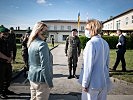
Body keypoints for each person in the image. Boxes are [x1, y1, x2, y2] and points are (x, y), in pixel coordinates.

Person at [78, 19, 111, 100]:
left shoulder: (91, 43)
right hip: (103, 82)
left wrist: (85, 84)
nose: (85, 31)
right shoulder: (105, 43)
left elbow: (88, 66)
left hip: (92, 84)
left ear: (93, 29)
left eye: (87, 29)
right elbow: (107, 64)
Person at [27, 22, 53, 100]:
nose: (46, 32)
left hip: (32, 78)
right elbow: (45, 66)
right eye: (44, 30)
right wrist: (49, 83)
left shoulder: (31, 43)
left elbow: (30, 62)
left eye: (47, 30)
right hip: (42, 80)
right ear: (38, 31)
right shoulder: (42, 44)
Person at [0, 26, 16, 99]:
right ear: (0, 33)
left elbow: (11, 49)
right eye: (4, 34)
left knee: (9, 77)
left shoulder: (7, 41)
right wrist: (7, 58)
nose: (6, 35)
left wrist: (11, 57)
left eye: (7, 34)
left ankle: (6, 90)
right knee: (1, 78)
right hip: (1, 63)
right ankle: (1, 92)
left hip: (8, 62)